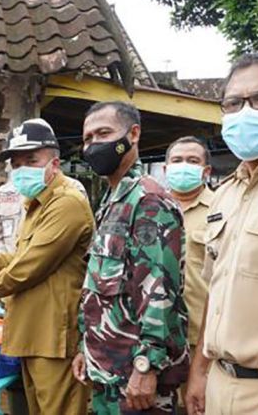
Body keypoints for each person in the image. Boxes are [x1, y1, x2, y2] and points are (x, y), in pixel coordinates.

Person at [0, 118, 95, 415]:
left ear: (54, 161)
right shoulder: (36, 203)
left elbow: (29, 268)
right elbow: (18, 258)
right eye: (16, 163)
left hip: (52, 334)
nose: (22, 169)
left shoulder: (66, 203)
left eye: (32, 159)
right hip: (32, 331)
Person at [73, 101, 189, 414]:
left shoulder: (148, 201)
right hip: (108, 371)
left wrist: (146, 366)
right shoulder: (112, 200)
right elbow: (98, 289)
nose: (95, 144)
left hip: (136, 381)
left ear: (133, 134)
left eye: (104, 133)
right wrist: (86, 347)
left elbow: (158, 292)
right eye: (88, 138)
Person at [186, 51, 258, 415]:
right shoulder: (226, 191)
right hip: (221, 384)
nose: (246, 112)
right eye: (233, 102)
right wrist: (200, 370)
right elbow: (215, 289)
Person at [163, 136, 213, 402]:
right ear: (165, 168)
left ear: (206, 171)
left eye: (192, 161)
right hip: (156, 338)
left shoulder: (221, 209)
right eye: (177, 160)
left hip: (200, 340)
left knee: (196, 405)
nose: (184, 166)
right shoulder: (153, 207)